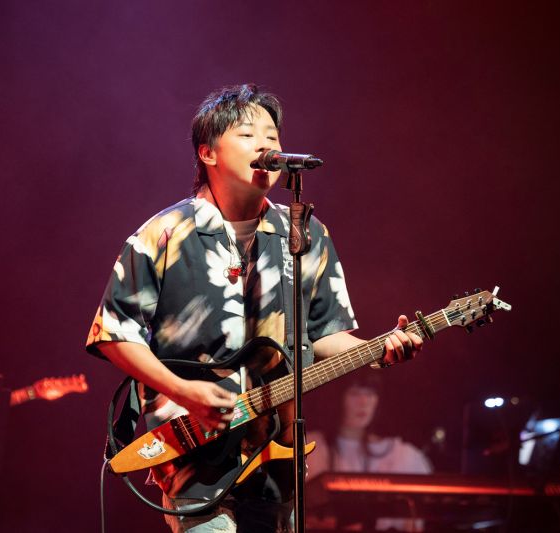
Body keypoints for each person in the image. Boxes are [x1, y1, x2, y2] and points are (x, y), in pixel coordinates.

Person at [86, 83, 423, 532]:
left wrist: (377, 350)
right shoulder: (164, 234)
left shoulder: (304, 235)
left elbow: (324, 335)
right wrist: (184, 391)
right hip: (196, 455)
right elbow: (113, 334)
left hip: (278, 455)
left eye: (272, 136)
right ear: (207, 153)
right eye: (247, 135)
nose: (265, 145)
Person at [307, 373, 432, 532]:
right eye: (354, 393)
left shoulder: (402, 455)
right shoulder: (311, 447)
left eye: (370, 394)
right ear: (337, 398)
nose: (364, 402)